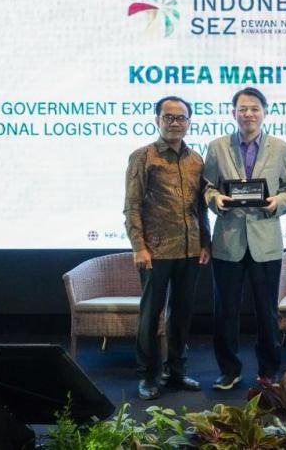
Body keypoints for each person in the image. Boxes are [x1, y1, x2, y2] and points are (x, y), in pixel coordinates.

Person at [203, 86, 286, 390]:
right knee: (225, 311)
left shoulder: (280, 148)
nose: (248, 114)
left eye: (254, 108)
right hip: (228, 241)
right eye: (243, 109)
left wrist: (278, 203)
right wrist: (214, 199)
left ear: (264, 112)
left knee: (267, 312)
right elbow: (207, 186)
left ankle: (269, 371)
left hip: (265, 242)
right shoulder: (217, 147)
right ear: (233, 113)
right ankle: (229, 370)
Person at [123, 96, 211, 401]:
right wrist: (139, 247)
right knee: (151, 315)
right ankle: (148, 376)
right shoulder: (143, 156)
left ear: (189, 122)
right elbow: (132, 207)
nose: (175, 123)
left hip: (190, 249)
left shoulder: (196, 160)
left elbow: (201, 207)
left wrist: (206, 242)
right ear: (157, 120)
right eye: (169, 117)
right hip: (155, 251)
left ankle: (176, 370)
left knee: (182, 314)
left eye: (181, 118)